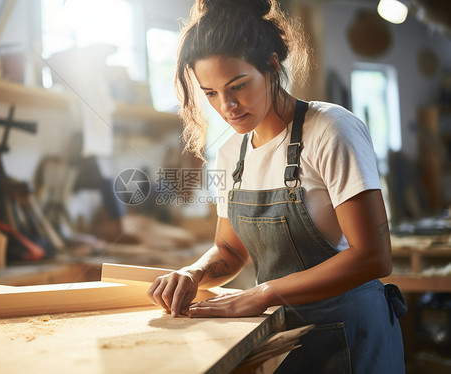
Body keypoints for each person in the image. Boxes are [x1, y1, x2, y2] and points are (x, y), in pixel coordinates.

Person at [146, 0, 406, 372]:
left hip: (353, 337)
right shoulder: (231, 152)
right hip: (284, 340)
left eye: (238, 86)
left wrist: (264, 293)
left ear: (271, 65)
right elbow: (229, 250)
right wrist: (193, 273)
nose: (228, 106)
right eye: (211, 94)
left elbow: (373, 256)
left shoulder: (330, 129)